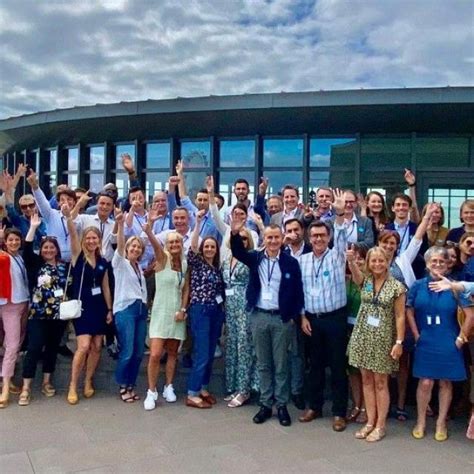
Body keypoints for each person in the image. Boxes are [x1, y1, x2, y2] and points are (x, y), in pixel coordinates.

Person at [231, 219, 304, 427]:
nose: (273, 241)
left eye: (276, 238)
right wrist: (235, 234)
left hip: (282, 318)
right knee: (263, 363)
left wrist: (292, 316)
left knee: (281, 364)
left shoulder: (290, 262)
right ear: (264, 239)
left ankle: (281, 405)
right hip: (259, 316)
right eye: (269, 238)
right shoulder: (255, 258)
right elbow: (238, 252)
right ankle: (265, 403)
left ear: (282, 239)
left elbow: (298, 291)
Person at [407, 247, 474, 441]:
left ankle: (441, 422)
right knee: (425, 382)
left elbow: (470, 314)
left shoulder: (454, 286)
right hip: (425, 338)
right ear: (427, 264)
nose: (437, 265)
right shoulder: (418, 285)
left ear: (447, 265)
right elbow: (409, 310)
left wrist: (461, 339)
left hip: (448, 338)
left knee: (445, 382)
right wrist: (416, 334)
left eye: (441, 262)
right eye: (433, 261)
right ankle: (420, 421)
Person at [377, 203, 436, 421]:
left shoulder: (403, 260)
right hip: (381, 322)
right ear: (379, 243)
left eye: (393, 243)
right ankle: (384, 405)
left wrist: (427, 216)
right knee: (382, 364)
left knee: (402, 364)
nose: (390, 246)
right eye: (386, 242)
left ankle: (400, 404)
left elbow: (418, 239)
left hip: (402, 320)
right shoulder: (373, 264)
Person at [298, 189, 349, 431]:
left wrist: (338, 212)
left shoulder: (337, 256)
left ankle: (339, 412)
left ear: (328, 238)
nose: (318, 239)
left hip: (335, 319)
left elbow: (341, 234)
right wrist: (302, 316)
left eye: (322, 235)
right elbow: (297, 292)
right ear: (309, 239)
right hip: (312, 321)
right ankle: (314, 407)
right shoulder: (302, 261)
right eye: (314, 236)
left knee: (338, 366)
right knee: (315, 366)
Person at [347, 246, 406, 442]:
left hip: (383, 338)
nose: (377, 264)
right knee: (366, 379)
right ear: (369, 263)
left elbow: (400, 316)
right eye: (374, 261)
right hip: (363, 335)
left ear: (387, 262)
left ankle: (381, 425)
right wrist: (351, 261)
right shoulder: (366, 282)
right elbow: (356, 276)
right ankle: (370, 422)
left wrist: (399, 342)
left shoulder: (396, 286)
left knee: (381, 382)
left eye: (381, 260)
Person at [65, 205, 113, 405]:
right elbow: (72, 233)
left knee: (96, 346)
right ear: (84, 240)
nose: (92, 241)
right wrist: (69, 216)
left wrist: (109, 309)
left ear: (99, 241)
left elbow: (105, 287)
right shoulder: (78, 256)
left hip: (99, 308)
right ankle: (72, 385)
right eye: (88, 238)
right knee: (83, 346)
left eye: (95, 238)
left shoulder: (102, 260)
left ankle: (88, 381)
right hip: (82, 308)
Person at [18, 214, 67, 406]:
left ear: (56, 250)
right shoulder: (36, 264)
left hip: (58, 316)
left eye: (51, 247)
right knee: (34, 348)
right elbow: (27, 250)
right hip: (37, 314)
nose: (48, 250)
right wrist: (33, 227)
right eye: (45, 247)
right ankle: (26, 386)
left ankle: (47, 382)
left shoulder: (65, 267)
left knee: (52, 349)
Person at [144, 229, 189, 410]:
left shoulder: (184, 264)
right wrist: (148, 230)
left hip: (177, 313)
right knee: (155, 354)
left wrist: (183, 309)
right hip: (161, 312)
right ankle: (151, 391)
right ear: (166, 245)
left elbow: (186, 289)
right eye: (171, 242)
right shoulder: (163, 259)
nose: (174, 245)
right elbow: (155, 246)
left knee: (172, 353)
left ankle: (168, 386)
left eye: (177, 242)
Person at [185, 210, 225, 408]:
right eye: (206, 246)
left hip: (216, 311)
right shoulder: (198, 262)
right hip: (200, 310)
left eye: (212, 246)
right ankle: (192, 392)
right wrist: (198, 224)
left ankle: (203, 387)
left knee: (210, 352)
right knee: (201, 352)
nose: (209, 249)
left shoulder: (217, 268)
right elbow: (192, 247)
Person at [112, 211, 152, 403]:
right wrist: (120, 226)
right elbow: (119, 248)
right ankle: (122, 384)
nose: (136, 249)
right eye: (133, 246)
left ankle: (131, 383)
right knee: (127, 351)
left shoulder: (139, 269)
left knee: (138, 352)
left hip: (140, 310)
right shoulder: (121, 263)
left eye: (139, 247)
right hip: (125, 309)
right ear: (128, 248)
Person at [222, 225, 258, 408]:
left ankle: (245, 389)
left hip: (245, 307)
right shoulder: (227, 259)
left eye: (245, 238)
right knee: (231, 346)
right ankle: (233, 386)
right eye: (239, 238)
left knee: (244, 347)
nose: (242, 241)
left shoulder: (251, 258)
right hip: (230, 308)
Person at [282, 218, 311, 410]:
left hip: (308, 309)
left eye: (296, 230)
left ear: (303, 231)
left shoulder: (310, 251)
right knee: (284, 353)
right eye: (289, 230)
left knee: (300, 354)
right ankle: (284, 391)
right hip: (285, 309)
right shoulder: (280, 253)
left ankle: (297, 390)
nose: (293, 233)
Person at [0, 228, 29, 408]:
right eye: (10, 240)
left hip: (23, 303)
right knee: (11, 346)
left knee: (15, 343)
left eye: (16, 240)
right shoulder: (4, 257)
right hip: (10, 305)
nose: (14, 243)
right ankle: (4, 388)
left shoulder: (19, 257)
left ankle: (5, 377)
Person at [27, 170, 80, 262]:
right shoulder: (52, 214)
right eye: (62, 200)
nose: (66, 202)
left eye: (69, 199)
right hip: (54, 261)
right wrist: (35, 187)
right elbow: (42, 202)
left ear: (75, 202)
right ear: (58, 203)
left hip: (74, 262)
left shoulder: (81, 218)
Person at [345, 244, 368, 424]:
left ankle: (367, 407)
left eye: (361, 258)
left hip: (366, 331)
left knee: (365, 372)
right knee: (352, 371)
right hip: (348, 329)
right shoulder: (346, 280)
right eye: (355, 258)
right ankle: (357, 404)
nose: (358, 261)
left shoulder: (370, 281)